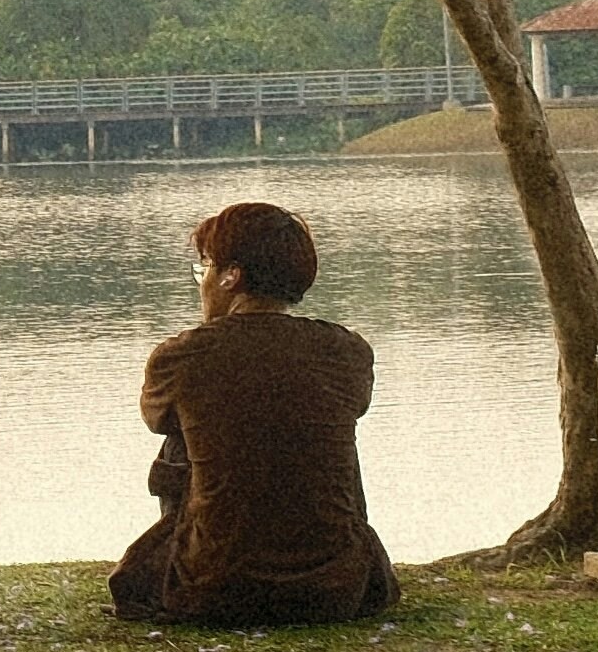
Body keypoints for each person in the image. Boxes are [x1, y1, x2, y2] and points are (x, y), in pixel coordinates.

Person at [115, 196, 400, 626]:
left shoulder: (183, 356)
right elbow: (353, 406)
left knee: (180, 437)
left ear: (231, 276)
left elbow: (157, 419)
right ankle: (319, 549)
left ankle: (216, 556)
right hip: (337, 589)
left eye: (205, 268)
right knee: (316, 423)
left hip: (214, 590)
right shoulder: (348, 352)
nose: (202, 282)